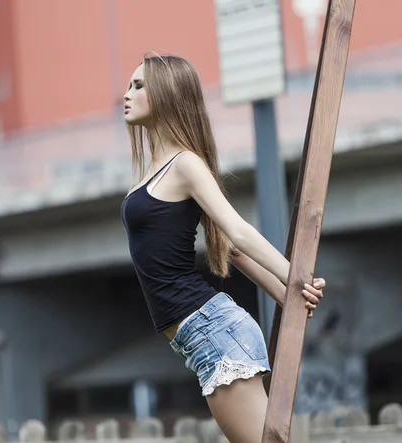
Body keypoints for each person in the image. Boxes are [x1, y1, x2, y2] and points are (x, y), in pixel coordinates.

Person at [120, 54, 326, 443]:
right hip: (203, 338)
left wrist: (295, 278)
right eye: (130, 85)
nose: (126, 95)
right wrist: (286, 294)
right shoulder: (156, 168)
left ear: (166, 94)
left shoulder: (185, 164)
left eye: (139, 86)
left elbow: (238, 231)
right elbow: (231, 250)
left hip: (216, 334)